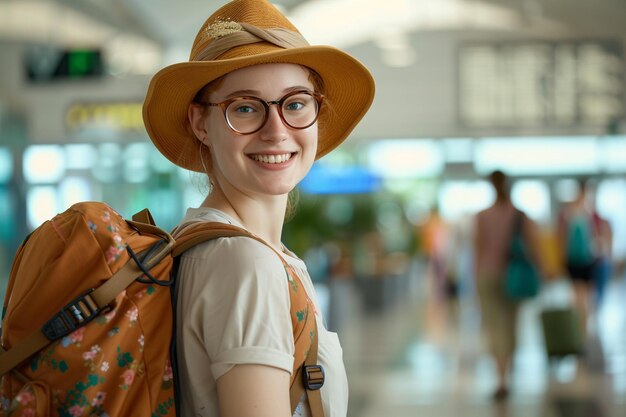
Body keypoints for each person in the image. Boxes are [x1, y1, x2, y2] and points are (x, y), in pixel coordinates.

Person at [142, 0, 374, 416]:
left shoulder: (204, 243)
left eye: (296, 103)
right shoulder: (245, 263)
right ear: (200, 123)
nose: (276, 130)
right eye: (245, 108)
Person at [473, 170, 542, 401]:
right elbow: (533, 247)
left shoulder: (482, 216)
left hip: (488, 276)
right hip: (515, 277)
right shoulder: (520, 215)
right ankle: (507, 373)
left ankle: (500, 378)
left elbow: (478, 250)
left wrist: (475, 279)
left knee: (494, 326)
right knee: (511, 325)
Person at [557, 178, 602, 336]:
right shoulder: (573, 212)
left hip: (586, 258)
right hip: (576, 259)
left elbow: (596, 234)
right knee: (578, 295)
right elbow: (562, 236)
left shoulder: (588, 212)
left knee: (585, 295)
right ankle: (579, 326)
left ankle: (583, 325)